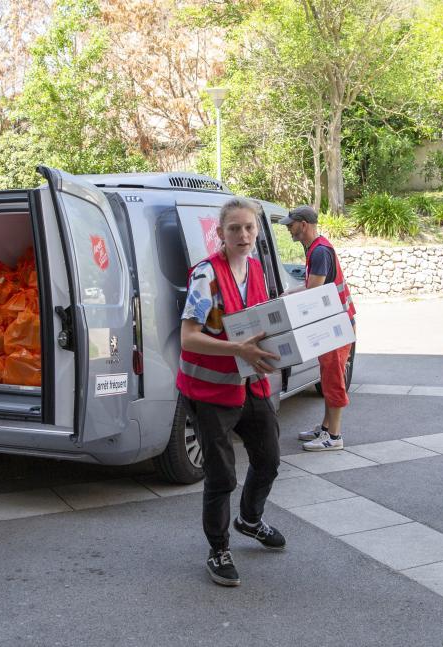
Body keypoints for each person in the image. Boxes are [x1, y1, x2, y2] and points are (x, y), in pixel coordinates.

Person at [177, 197, 287, 587]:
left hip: (250, 383)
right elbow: (190, 338)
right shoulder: (206, 276)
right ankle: (218, 549)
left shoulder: (256, 269)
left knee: (269, 460)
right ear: (220, 233)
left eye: (249, 228)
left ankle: (250, 519)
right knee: (221, 476)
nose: (243, 235)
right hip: (209, 390)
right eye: (234, 228)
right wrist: (236, 349)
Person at [280, 205, 357, 451]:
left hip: (336, 325)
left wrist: (289, 294)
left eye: (291, 225)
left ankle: (334, 437)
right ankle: (325, 427)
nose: (288, 229)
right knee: (327, 375)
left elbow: (314, 290)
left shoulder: (320, 251)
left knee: (333, 378)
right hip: (333, 323)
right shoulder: (317, 248)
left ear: (303, 224)